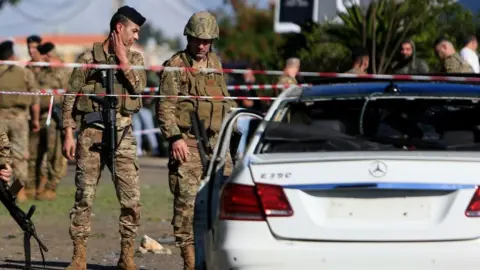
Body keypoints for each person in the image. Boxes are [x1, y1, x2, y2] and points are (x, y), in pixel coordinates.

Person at [61, 5, 146, 269]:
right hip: (90, 135)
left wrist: (123, 60)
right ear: (119, 28)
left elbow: (140, 87)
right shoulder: (88, 57)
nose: (136, 37)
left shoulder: (136, 59)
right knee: (84, 197)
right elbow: (69, 97)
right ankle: (79, 256)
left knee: (131, 200)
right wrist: (67, 134)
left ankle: (127, 257)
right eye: (134, 31)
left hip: (122, 136)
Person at [156, 11, 237, 269]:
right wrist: (175, 137)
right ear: (188, 38)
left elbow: (223, 99)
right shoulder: (175, 66)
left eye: (206, 40)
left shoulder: (215, 62)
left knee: (225, 202)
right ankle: (190, 264)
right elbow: (164, 108)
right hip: (188, 144)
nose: (201, 45)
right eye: (196, 40)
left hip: (217, 145)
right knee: (186, 208)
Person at [0, 40, 40, 202]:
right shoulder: (25, 73)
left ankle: (4, 192)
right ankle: (17, 192)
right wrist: (36, 120)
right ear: (12, 54)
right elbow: (36, 99)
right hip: (19, 120)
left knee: (2, 158)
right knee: (20, 158)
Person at [29, 42, 70, 201]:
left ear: (50, 55)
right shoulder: (42, 71)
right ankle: (33, 186)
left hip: (56, 117)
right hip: (40, 117)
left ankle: (50, 187)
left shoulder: (63, 71)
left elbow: (67, 94)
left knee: (55, 153)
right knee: (35, 153)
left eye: (45, 56)